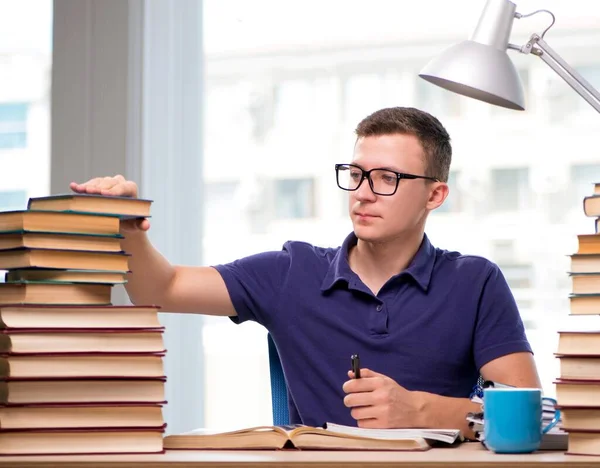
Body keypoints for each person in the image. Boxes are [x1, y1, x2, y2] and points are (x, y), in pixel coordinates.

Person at [70, 107, 541, 436]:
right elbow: (163, 288)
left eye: (386, 178)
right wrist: (128, 227)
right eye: (355, 174)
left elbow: (530, 414)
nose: (362, 192)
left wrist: (418, 408)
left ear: (435, 195)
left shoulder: (475, 281)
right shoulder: (291, 272)